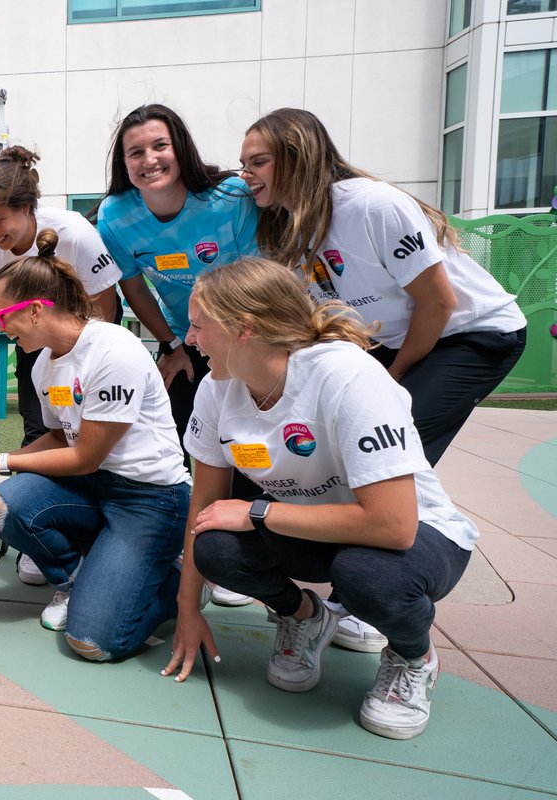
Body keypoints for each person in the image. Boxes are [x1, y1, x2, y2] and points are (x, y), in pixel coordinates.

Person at [239, 107, 526, 651]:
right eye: (243, 163)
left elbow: (438, 302)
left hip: (471, 334)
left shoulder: (371, 204)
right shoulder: (290, 225)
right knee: (353, 446)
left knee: (392, 442)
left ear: (298, 159)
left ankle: (376, 592)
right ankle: (363, 565)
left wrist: (391, 376)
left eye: (259, 162)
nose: (247, 174)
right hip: (394, 340)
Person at [162, 257, 479, 741]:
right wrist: (189, 610)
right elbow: (202, 507)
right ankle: (306, 619)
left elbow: (393, 526)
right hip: (312, 528)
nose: (190, 339)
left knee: (367, 575)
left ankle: (413, 655)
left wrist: (257, 511)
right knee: (214, 543)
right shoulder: (216, 389)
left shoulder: (346, 376)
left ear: (244, 329)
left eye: (200, 326)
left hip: (420, 536)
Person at [0, 229, 191, 662]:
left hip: (150, 499)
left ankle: (172, 579)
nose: (0, 328)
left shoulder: (113, 351)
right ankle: (79, 575)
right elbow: (62, 435)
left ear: (38, 310)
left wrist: (4, 459)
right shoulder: (45, 363)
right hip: (93, 487)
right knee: (0, 507)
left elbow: (85, 456)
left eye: (3, 317)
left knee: (94, 643)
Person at [95, 103, 261, 608]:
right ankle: (196, 547)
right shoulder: (116, 215)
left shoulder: (230, 198)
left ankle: (245, 554)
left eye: (159, 146)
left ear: (180, 148)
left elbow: (262, 274)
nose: (149, 160)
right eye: (135, 152)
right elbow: (133, 287)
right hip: (193, 340)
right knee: (198, 441)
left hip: (250, 335)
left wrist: (242, 351)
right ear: (123, 163)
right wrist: (171, 344)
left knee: (255, 440)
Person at [0, 145, 123, 587]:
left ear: (26, 208)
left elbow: (107, 302)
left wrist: (82, 356)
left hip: (88, 345)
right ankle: (43, 531)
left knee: (96, 439)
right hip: (39, 348)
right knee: (42, 428)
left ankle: (110, 528)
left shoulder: (73, 233)